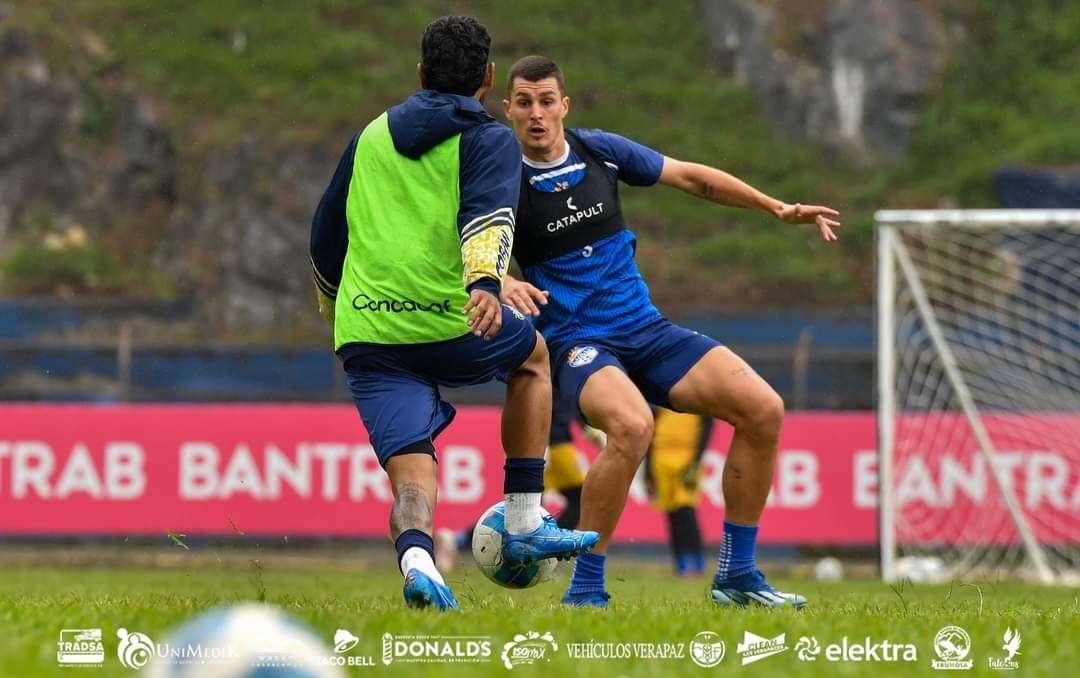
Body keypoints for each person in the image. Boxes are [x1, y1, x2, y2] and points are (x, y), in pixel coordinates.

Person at [498, 55, 840, 608]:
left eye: (545, 101)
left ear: (565, 105)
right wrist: (496, 282)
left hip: (645, 329)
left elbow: (691, 177)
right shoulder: (501, 178)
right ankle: (586, 590)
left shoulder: (599, 151)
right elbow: (460, 241)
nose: (536, 114)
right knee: (632, 428)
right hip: (578, 343)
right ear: (508, 110)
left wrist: (775, 208)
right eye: (524, 103)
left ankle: (737, 576)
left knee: (764, 409)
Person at [308, 22, 598, 611]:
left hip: (368, 330)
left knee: (411, 472)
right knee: (534, 359)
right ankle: (522, 518)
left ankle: (418, 559)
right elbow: (488, 217)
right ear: (489, 80)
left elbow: (324, 235)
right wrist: (486, 285)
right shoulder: (488, 138)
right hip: (452, 320)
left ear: (420, 74)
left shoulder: (369, 136)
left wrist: (339, 304)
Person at [437, 390, 589, 570]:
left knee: (527, 507)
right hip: (553, 445)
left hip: (546, 442)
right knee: (531, 508)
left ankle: (458, 539)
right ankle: (547, 549)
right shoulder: (557, 368)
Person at [644, 408, 711, 578]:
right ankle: (681, 565)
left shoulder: (698, 397)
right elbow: (650, 432)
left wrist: (696, 460)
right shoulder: (658, 393)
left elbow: (707, 427)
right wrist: (648, 472)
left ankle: (697, 564)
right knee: (672, 513)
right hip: (661, 458)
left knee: (686, 511)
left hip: (686, 458)